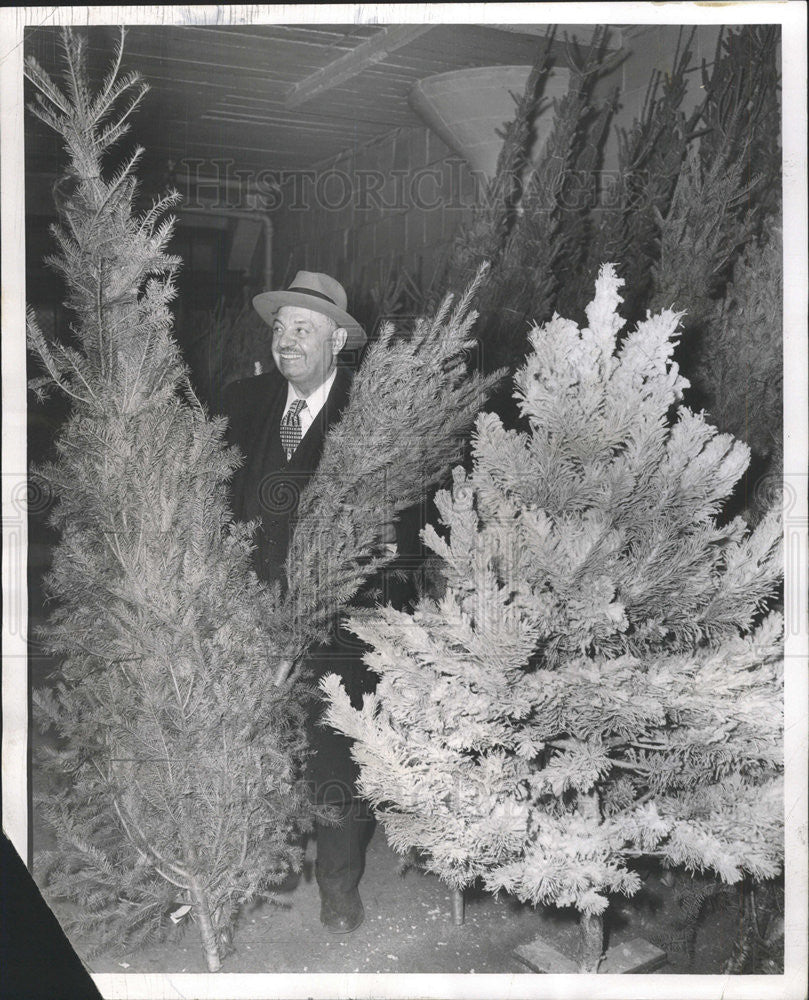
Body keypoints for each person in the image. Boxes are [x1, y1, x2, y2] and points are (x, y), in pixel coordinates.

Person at [217, 271, 396, 935]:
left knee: (332, 760)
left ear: (337, 341)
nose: (286, 341)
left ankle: (340, 888)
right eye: (280, 327)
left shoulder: (369, 418)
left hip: (337, 625)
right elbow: (217, 500)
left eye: (303, 329)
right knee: (253, 747)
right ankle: (259, 869)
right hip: (249, 614)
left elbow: (393, 535)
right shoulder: (243, 401)